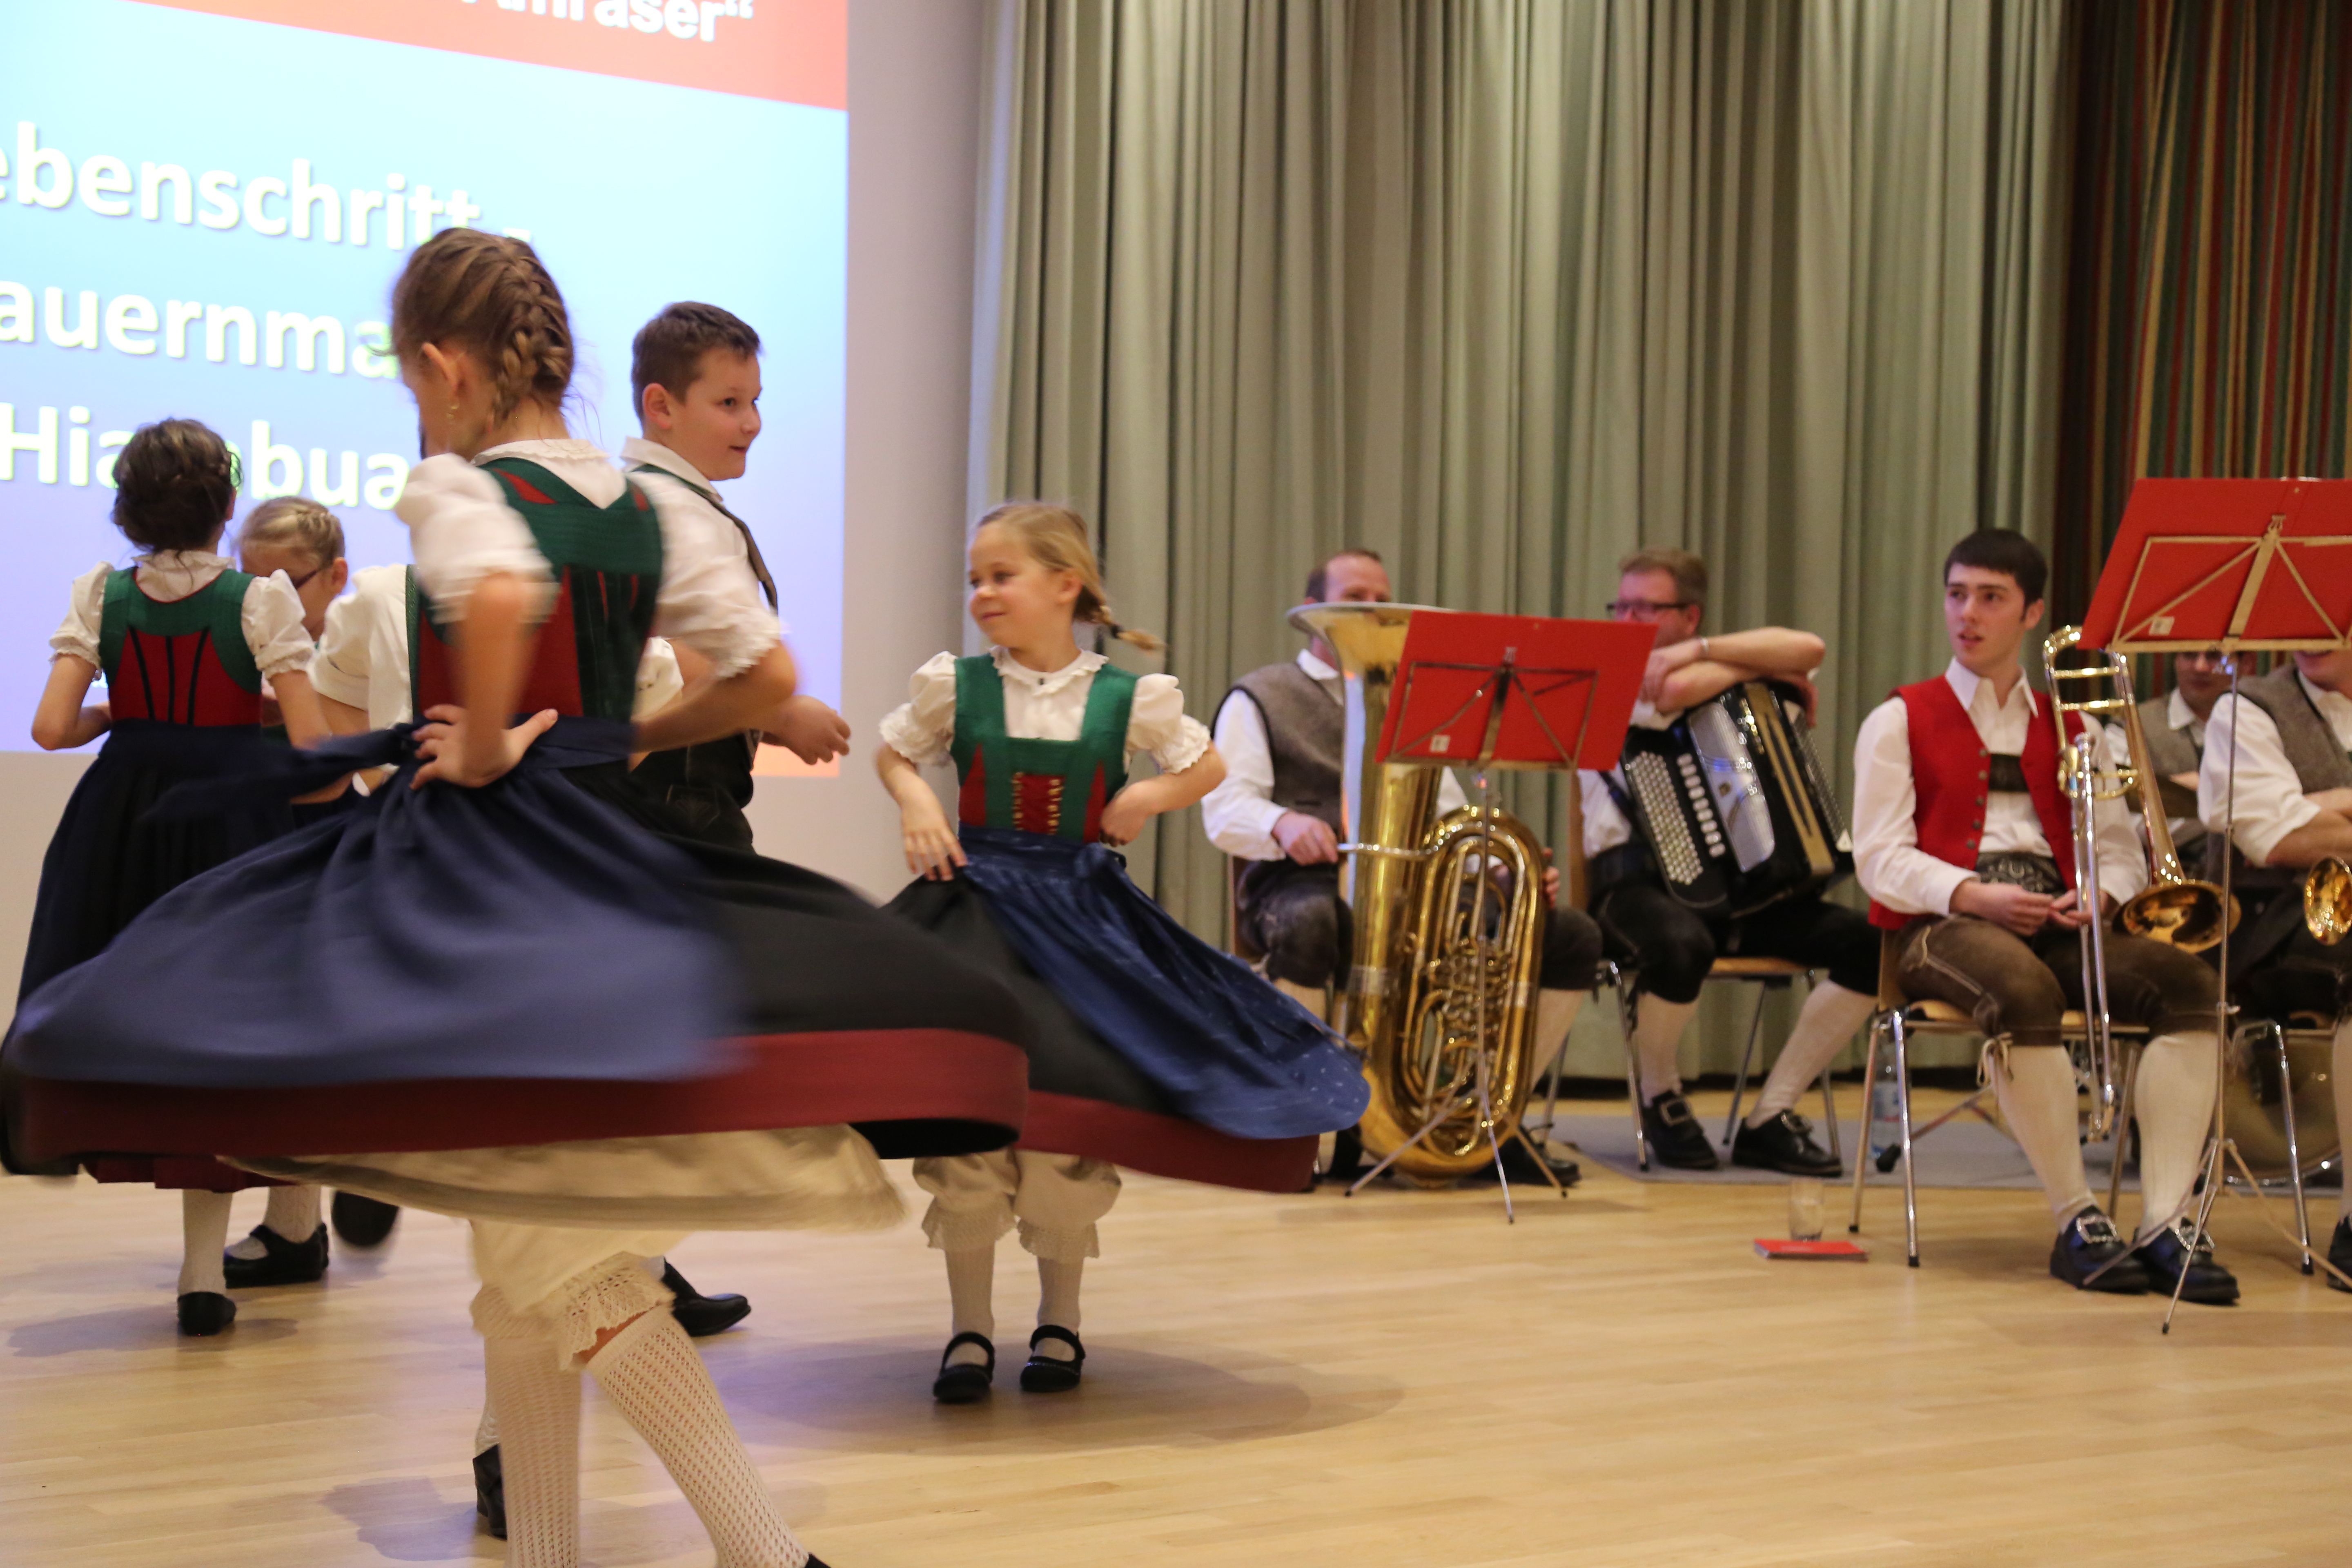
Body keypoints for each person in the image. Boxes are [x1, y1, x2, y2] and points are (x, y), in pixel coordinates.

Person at [6, 229, 1034, 1568]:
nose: (417, 409)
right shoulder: (653, 505)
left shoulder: (457, 489)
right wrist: (600, 739)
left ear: (446, 368)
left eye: (411, 383)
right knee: (521, 1276)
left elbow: (497, 596)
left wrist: (494, 743)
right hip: (616, 894)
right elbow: (772, 681)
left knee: (554, 1263)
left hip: (479, 902)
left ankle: (766, 1552)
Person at [879, 502, 1367, 1403]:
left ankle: (1059, 1321)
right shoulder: (958, 685)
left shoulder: (1126, 695)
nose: (983, 592)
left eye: (1002, 575)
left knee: (1067, 1122)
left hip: (1083, 927)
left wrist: (1144, 800)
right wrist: (917, 804)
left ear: (1066, 586)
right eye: (975, 578)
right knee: (973, 1125)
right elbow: (897, 752)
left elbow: (1208, 765)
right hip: (978, 917)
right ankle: (969, 1332)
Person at [1853, 530, 2234, 1302]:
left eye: (1990, 598)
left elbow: (2120, 850)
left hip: (2061, 916)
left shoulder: (2080, 729)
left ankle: (2165, 1221)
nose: (1968, 614)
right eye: (1957, 595)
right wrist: (1972, 893)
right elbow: (1879, 859)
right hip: (1944, 925)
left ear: (2031, 613)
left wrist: (2101, 894)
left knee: (2188, 984)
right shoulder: (1898, 720)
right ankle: (2078, 1218)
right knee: (2022, 994)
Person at [14, 419, 329, 1337]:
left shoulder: (99, 595)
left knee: (151, 1032)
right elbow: (312, 750)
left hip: (125, 824)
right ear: (226, 506)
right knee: (229, 1043)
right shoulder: (260, 601)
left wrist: (125, 713)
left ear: (127, 507)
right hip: (229, 823)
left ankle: (201, 1269)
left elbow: (49, 728)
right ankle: (204, 1274)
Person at [1200, 548, 1605, 1179]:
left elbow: (1448, 816)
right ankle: (1303, 1128)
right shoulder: (1262, 695)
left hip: (1413, 883)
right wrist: (1283, 822)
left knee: (1568, 935)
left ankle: (1494, 1121)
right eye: (1358, 600)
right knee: (1314, 927)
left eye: (1384, 599)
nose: (1377, 612)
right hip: (1302, 879)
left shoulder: (1425, 702)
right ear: (1313, 615)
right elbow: (1223, 808)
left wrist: (1501, 876)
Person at [1581, 547, 1880, 1176]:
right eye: (1621, 606)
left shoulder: (1702, 657)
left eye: (1644, 608)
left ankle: (1772, 1114)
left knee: (1871, 946)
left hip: (1738, 893)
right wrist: (1756, 674)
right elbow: (1674, 690)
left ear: (1689, 617)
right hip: (1632, 887)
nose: (1626, 619)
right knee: (1682, 945)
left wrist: (1706, 657)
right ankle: (1660, 1094)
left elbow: (1810, 648)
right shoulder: (1604, 677)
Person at [620, 301, 851, 849]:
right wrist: (783, 712)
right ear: (661, 406)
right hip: (676, 812)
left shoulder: (659, 501)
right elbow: (673, 657)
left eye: (754, 401)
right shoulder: (674, 511)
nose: (753, 422)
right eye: (729, 403)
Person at [2195, 640, 2352, 1290]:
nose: (2310, 634)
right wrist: (2312, 814)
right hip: (2270, 928)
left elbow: (2300, 823)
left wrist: (2330, 802)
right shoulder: (2248, 710)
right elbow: (2277, 839)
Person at [2104, 648, 2228, 862]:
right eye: (2189, 655)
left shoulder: (2261, 724)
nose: (2200, 667)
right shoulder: (2129, 726)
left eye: (2214, 656)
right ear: (2175, 661)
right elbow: (2116, 818)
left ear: (2245, 664)